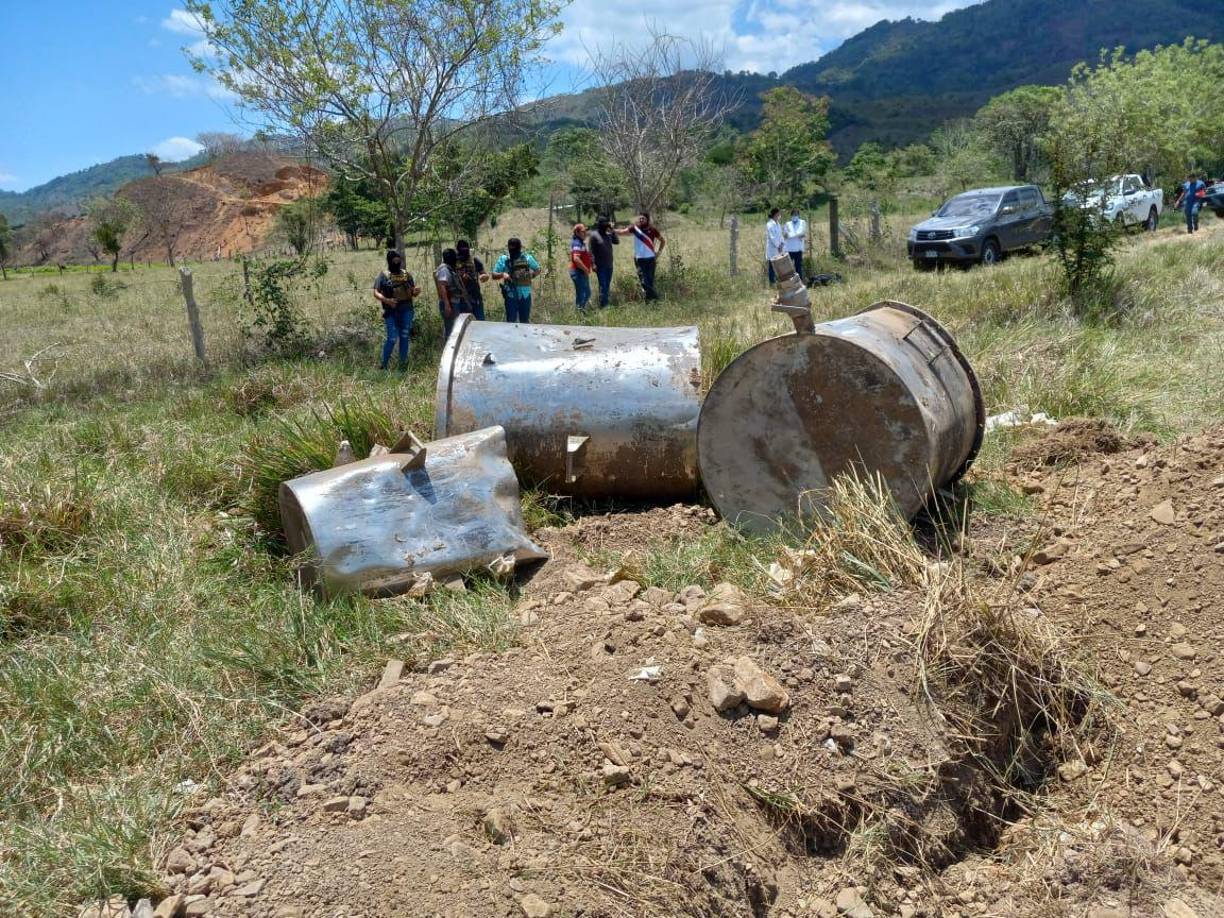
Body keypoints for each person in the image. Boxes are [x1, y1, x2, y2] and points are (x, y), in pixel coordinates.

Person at [372, 249, 420, 370]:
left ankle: (402, 366)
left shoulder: (406, 274)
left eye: (398, 259)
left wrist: (415, 291)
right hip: (391, 311)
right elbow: (376, 292)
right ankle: (383, 365)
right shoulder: (383, 275)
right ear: (389, 261)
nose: (397, 262)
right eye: (394, 260)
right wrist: (387, 301)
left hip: (407, 310)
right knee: (392, 338)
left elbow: (412, 291)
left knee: (404, 336)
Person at [492, 237, 540, 323]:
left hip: (525, 294)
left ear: (520, 248)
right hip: (510, 293)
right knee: (511, 321)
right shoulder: (504, 259)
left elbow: (538, 269)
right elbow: (494, 275)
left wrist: (531, 276)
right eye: (511, 249)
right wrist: (503, 274)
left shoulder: (527, 258)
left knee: (524, 321)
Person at [618, 212, 664, 301]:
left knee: (650, 281)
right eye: (640, 218)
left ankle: (649, 301)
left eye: (643, 218)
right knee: (643, 282)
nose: (641, 220)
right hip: (639, 259)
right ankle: (657, 298)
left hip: (651, 259)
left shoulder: (653, 230)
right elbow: (622, 232)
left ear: (647, 220)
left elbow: (662, 241)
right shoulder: (635, 228)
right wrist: (612, 230)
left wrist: (658, 252)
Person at [450, 238, 489, 321]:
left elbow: (484, 274)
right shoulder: (453, 262)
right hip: (461, 299)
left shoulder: (474, 260)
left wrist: (484, 276)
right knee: (464, 324)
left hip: (475, 296)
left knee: (480, 322)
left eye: (465, 249)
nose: (464, 251)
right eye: (461, 249)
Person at [587, 215, 619, 308]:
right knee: (603, 285)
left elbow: (617, 241)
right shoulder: (594, 235)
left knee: (607, 285)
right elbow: (591, 251)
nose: (606, 225)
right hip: (600, 266)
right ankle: (604, 305)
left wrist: (612, 230)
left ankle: (604, 302)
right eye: (604, 224)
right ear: (600, 224)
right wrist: (593, 264)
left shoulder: (608, 235)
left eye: (607, 224)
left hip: (609, 265)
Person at [435, 247, 459, 341]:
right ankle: (449, 352)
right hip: (449, 303)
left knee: (454, 328)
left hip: (452, 302)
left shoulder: (449, 268)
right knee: (450, 330)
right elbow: (442, 287)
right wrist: (447, 305)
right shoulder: (444, 269)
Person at [570, 224, 593, 312]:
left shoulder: (581, 242)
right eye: (583, 231)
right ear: (577, 232)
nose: (585, 233)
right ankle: (579, 313)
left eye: (586, 231)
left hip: (582, 272)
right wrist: (586, 269)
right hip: (578, 272)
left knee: (586, 293)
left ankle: (580, 310)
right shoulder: (576, 243)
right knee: (582, 294)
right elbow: (576, 259)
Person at [782, 208, 806, 278]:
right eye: (793, 215)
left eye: (796, 214)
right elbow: (785, 235)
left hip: (798, 249)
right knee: (788, 268)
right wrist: (795, 235)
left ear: (798, 215)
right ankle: (789, 283)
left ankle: (799, 282)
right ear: (791, 216)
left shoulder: (802, 222)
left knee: (798, 267)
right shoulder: (787, 224)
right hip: (789, 249)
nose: (794, 216)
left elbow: (802, 233)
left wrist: (792, 235)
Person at [765, 207, 785, 283]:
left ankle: (778, 282)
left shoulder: (778, 224)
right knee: (772, 267)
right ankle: (772, 283)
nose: (780, 215)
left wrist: (782, 243)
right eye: (779, 214)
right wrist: (778, 246)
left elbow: (780, 235)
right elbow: (772, 237)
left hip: (779, 248)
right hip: (773, 249)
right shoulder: (769, 224)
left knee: (778, 267)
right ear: (775, 214)